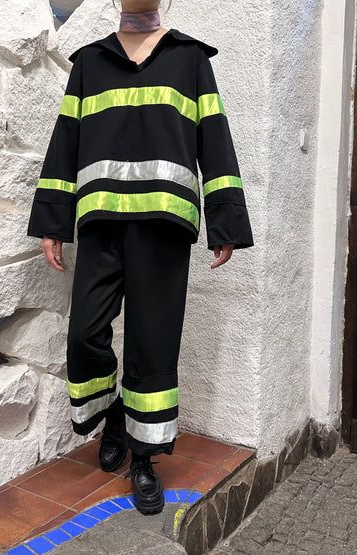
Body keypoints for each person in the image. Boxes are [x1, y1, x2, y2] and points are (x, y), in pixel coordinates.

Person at [27, 0, 254, 515]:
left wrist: (225, 220)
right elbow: (65, 142)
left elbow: (215, 139)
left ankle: (145, 457)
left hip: (164, 225)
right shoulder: (90, 62)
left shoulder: (190, 59)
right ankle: (113, 413)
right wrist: (53, 222)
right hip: (101, 222)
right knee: (85, 334)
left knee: (153, 344)